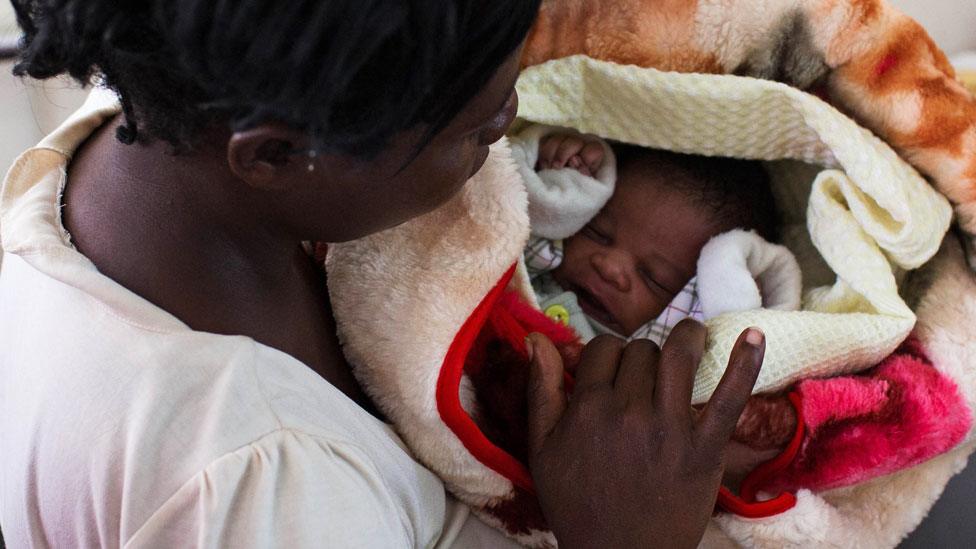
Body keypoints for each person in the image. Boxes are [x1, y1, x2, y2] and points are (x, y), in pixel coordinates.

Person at [0, 1, 765, 547]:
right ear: (272, 155)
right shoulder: (266, 488)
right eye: (476, 129)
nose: (511, 129)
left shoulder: (155, 114)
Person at [513, 126, 799, 344]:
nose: (610, 268)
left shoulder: (646, 370)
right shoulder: (537, 264)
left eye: (655, 278)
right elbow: (511, 205)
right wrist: (555, 176)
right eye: (596, 233)